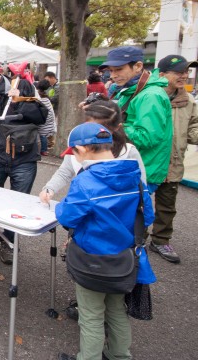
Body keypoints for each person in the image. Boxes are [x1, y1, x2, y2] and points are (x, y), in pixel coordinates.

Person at [56, 122, 155, 360]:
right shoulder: (135, 178)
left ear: (81, 151)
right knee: (117, 311)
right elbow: (147, 215)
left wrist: (59, 205)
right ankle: (120, 355)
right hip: (124, 260)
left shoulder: (86, 181)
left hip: (92, 259)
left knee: (91, 315)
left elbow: (68, 216)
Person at [0, 61, 47, 264]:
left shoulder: (22, 86)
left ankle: (9, 242)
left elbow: (41, 117)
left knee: (17, 204)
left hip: (24, 157)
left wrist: (20, 101)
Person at [39, 100, 147, 204]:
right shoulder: (79, 145)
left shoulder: (127, 152)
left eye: (101, 129)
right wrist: (49, 188)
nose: (93, 133)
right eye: (89, 127)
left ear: (117, 128)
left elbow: (141, 186)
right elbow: (64, 172)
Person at [102, 46, 172, 192]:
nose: (113, 75)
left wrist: (112, 125)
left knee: (125, 213)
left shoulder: (150, 95)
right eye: (111, 70)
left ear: (138, 66)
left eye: (119, 69)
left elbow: (147, 137)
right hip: (132, 165)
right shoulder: (131, 90)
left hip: (142, 169)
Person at [149, 55, 198, 263]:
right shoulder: (149, 95)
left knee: (167, 205)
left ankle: (160, 240)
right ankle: (135, 239)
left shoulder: (188, 100)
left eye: (186, 72)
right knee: (138, 203)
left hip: (173, 162)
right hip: (149, 162)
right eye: (179, 72)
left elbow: (194, 126)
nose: (184, 76)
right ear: (162, 75)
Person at [36, 80, 56, 155]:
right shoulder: (46, 97)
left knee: (42, 134)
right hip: (49, 117)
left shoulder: (38, 97)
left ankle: (43, 150)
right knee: (44, 134)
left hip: (43, 117)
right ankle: (44, 149)